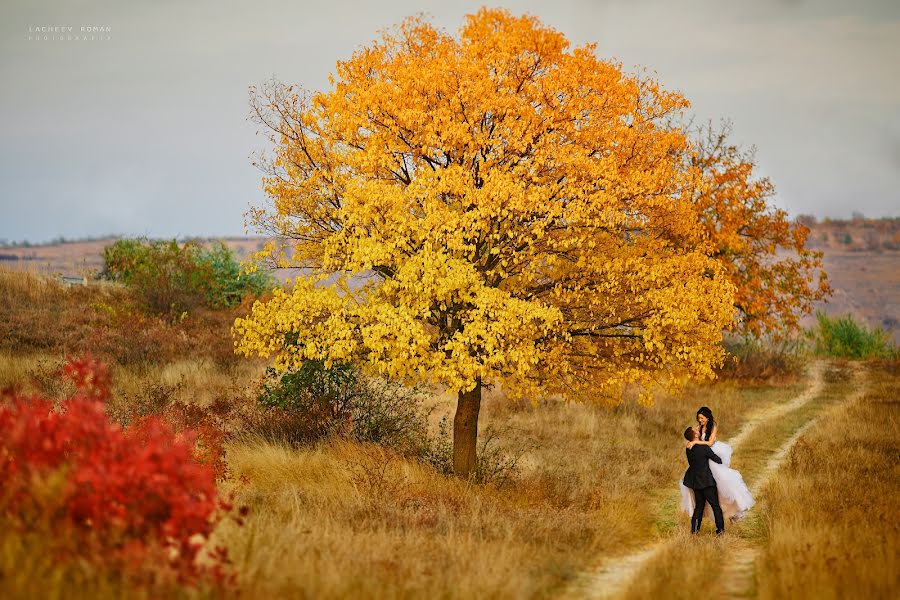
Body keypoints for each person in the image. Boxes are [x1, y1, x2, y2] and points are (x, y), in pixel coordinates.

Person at [680, 407, 755, 522]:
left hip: (710, 453)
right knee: (711, 489)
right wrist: (693, 442)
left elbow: (709, 443)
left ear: (707, 417)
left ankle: (733, 512)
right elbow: (692, 435)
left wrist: (695, 442)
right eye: (699, 418)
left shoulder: (713, 427)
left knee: (722, 485)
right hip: (704, 457)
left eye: (702, 418)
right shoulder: (699, 428)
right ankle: (718, 513)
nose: (700, 420)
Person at [681, 426, 726, 535]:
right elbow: (718, 460)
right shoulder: (703, 448)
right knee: (715, 506)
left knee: (699, 507)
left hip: (696, 482)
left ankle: (695, 531)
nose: (698, 430)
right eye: (696, 430)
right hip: (707, 482)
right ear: (695, 435)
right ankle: (720, 531)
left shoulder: (688, 448)